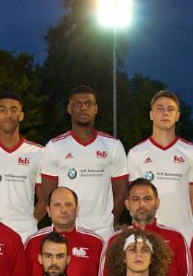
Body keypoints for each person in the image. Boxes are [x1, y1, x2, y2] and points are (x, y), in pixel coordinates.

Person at [39, 85, 128, 239]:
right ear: (69, 108)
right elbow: (49, 194)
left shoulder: (113, 145)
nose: (83, 108)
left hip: (102, 232)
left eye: (88, 104)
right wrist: (62, 221)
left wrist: (109, 222)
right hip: (66, 231)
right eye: (77, 104)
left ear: (96, 109)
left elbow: (121, 192)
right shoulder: (54, 146)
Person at [126, 90, 193, 242]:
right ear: (151, 114)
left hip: (183, 234)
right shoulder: (136, 153)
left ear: (177, 115)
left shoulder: (192, 152)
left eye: (170, 109)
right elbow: (134, 198)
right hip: (146, 234)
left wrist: (182, 221)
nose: (165, 113)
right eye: (160, 108)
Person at [99, 178, 192, 276]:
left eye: (147, 199)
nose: (141, 204)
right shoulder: (115, 240)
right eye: (136, 199)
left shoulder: (176, 238)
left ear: (157, 202)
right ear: (127, 204)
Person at [0, 92, 45, 242]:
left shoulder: (38, 153)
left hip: (25, 234)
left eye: (13, 110)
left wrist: (30, 222)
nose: (8, 115)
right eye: (3, 110)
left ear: (21, 115)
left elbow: (44, 199)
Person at [23, 187, 105, 276]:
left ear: (77, 209)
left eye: (68, 204)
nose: (63, 210)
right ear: (48, 210)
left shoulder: (95, 242)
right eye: (57, 205)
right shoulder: (33, 242)